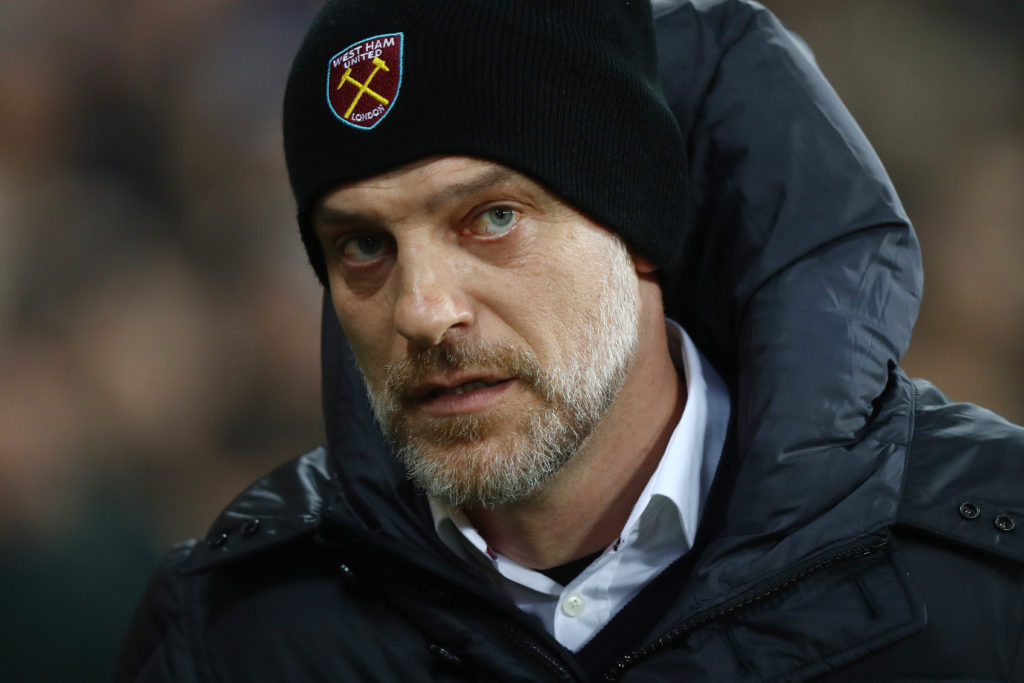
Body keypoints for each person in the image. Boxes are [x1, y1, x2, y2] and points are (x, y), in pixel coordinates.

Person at [118, 1, 1024, 681]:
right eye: (363, 245)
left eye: (492, 216)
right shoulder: (229, 631)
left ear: (637, 229)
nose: (423, 310)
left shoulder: (989, 565)